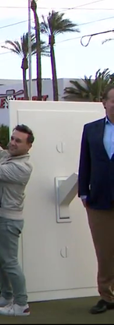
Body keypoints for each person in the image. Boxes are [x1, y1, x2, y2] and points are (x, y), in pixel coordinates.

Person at [0, 124, 34, 317]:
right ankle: (5, 295)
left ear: (28, 146)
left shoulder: (22, 167)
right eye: (12, 138)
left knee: (9, 262)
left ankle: (21, 304)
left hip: (9, 220)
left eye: (18, 141)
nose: (13, 143)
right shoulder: (9, 155)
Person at [78, 84, 114, 315]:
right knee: (104, 251)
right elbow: (85, 162)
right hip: (99, 200)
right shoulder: (90, 130)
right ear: (105, 102)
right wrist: (83, 191)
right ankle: (106, 296)